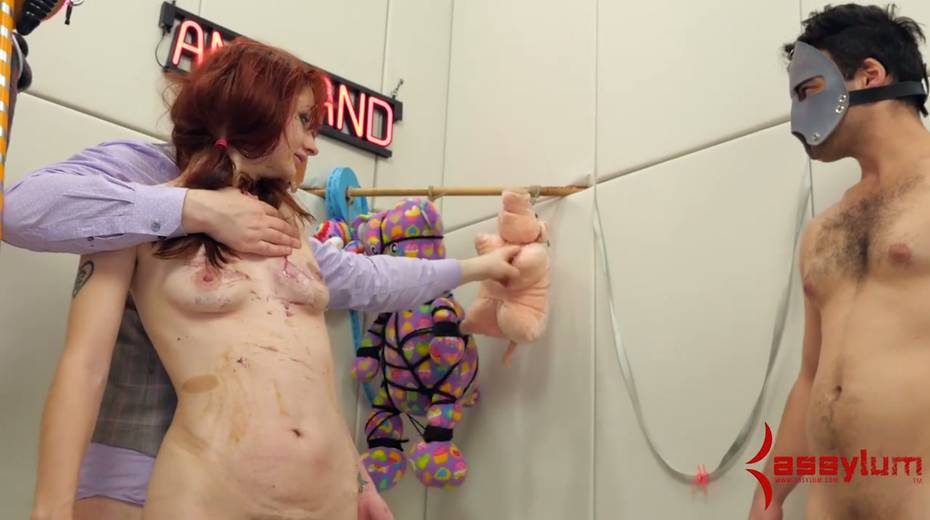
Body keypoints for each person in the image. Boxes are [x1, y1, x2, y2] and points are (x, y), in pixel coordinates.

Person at [15, 39, 519, 520]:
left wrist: (478, 269)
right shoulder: (130, 194)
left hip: (322, 490)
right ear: (256, 105)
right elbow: (82, 357)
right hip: (170, 470)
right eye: (303, 119)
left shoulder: (282, 220)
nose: (313, 145)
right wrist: (50, 509)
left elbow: (333, 320)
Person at [749, 4, 930, 519]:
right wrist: (769, 495)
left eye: (808, 91)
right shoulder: (821, 231)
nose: (796, 118)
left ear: (870, 75)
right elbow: (810, 377)